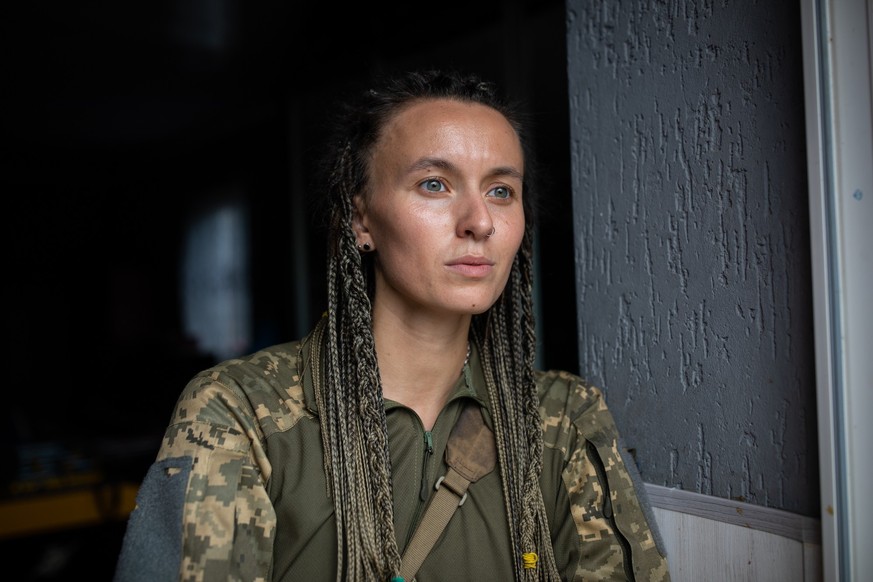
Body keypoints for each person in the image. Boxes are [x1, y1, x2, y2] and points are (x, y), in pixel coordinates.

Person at [113, 68, 671, 582]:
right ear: (361, 218)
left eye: (501, 190)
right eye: (435, 183)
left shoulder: (565, 420)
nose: (479, 221)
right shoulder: (243, 413)